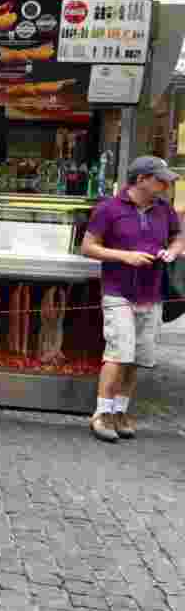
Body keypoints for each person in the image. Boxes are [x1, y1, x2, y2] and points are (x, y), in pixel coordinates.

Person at [81, 156, 184, 442]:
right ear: (141, 180)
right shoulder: (109, 209)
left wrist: (172, 252)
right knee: (118, 353)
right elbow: (88, 247)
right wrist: (125, 256)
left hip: (152, 293)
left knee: (137, 357)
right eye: (160, 180)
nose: (166, 185)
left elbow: (177, 238)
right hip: (118, 292)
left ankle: (120, 411)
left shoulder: (165, 210)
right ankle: (101, 413)